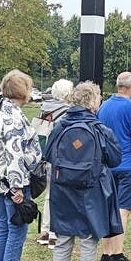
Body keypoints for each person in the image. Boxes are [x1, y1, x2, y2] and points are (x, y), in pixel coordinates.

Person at [44, 81, 123, 261]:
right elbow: (115, 158)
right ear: (92, 102)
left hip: (62, 191)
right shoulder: (99, 129)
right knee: (89, 242)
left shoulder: (60, 126)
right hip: (90, 192)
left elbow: (48, 154)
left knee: (62, 242)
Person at [0, 69, 42, 261]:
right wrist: (17, 188)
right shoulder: (14, 116)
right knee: (17, 229)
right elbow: (15, 153)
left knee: (3, 229)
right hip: (13, 181)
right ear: (22, 91)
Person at [96, 71, 131, 261]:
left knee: (108, 208)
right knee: (123, 209)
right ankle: (117, 253)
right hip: (127, 164)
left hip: (107, 165)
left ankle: (106, 252)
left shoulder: (103, 106)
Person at [31, 78, 73, 247]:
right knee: (59, 195)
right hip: (60, 157)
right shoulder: (67, 112)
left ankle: (45, 231)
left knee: (49, 194)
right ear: (68, 94)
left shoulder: (45, 108)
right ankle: (54, 233)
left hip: (44, 155)